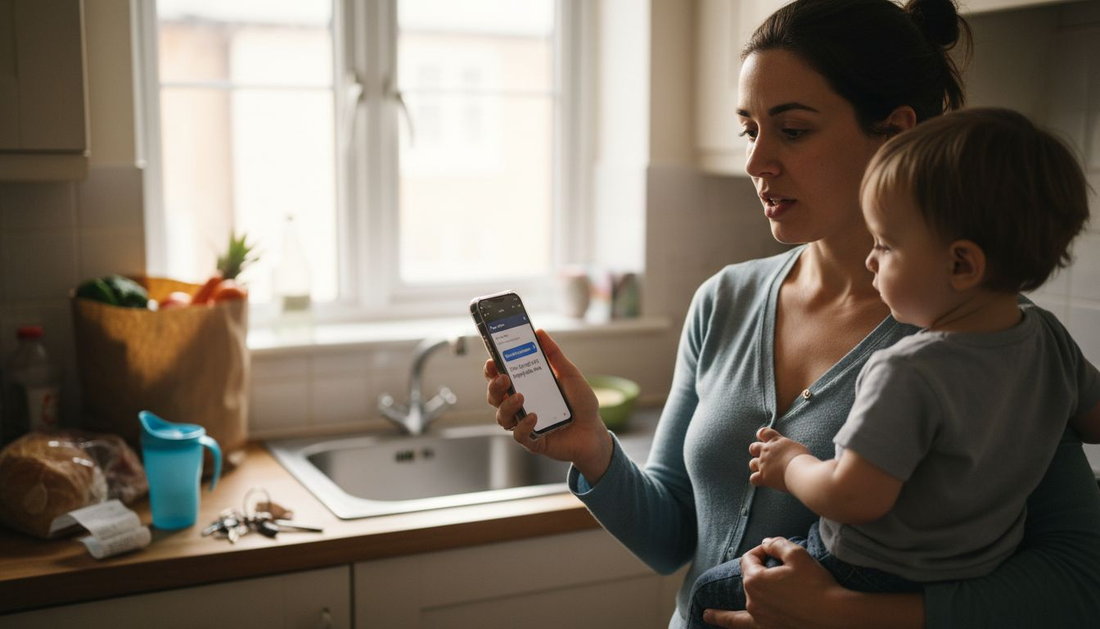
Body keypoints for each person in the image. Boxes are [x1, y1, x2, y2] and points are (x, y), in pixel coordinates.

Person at [482, 0, 1100, 626]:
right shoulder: (723, 300)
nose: (756, 162)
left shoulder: (990, 333)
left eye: (794, 130)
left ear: (895, 130)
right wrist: (593, 450)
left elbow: (1080, 579)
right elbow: (674, 539)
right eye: (750, 129)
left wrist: (844, 612)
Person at [686, 107, 1100, 628]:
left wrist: (790, 464)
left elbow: (852, 497)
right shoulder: (1050, 341)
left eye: (885, 244)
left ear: (961, 264)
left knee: (708, 595)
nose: (870, 260)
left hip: (865, 570)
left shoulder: (906, 370)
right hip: (975, 568)